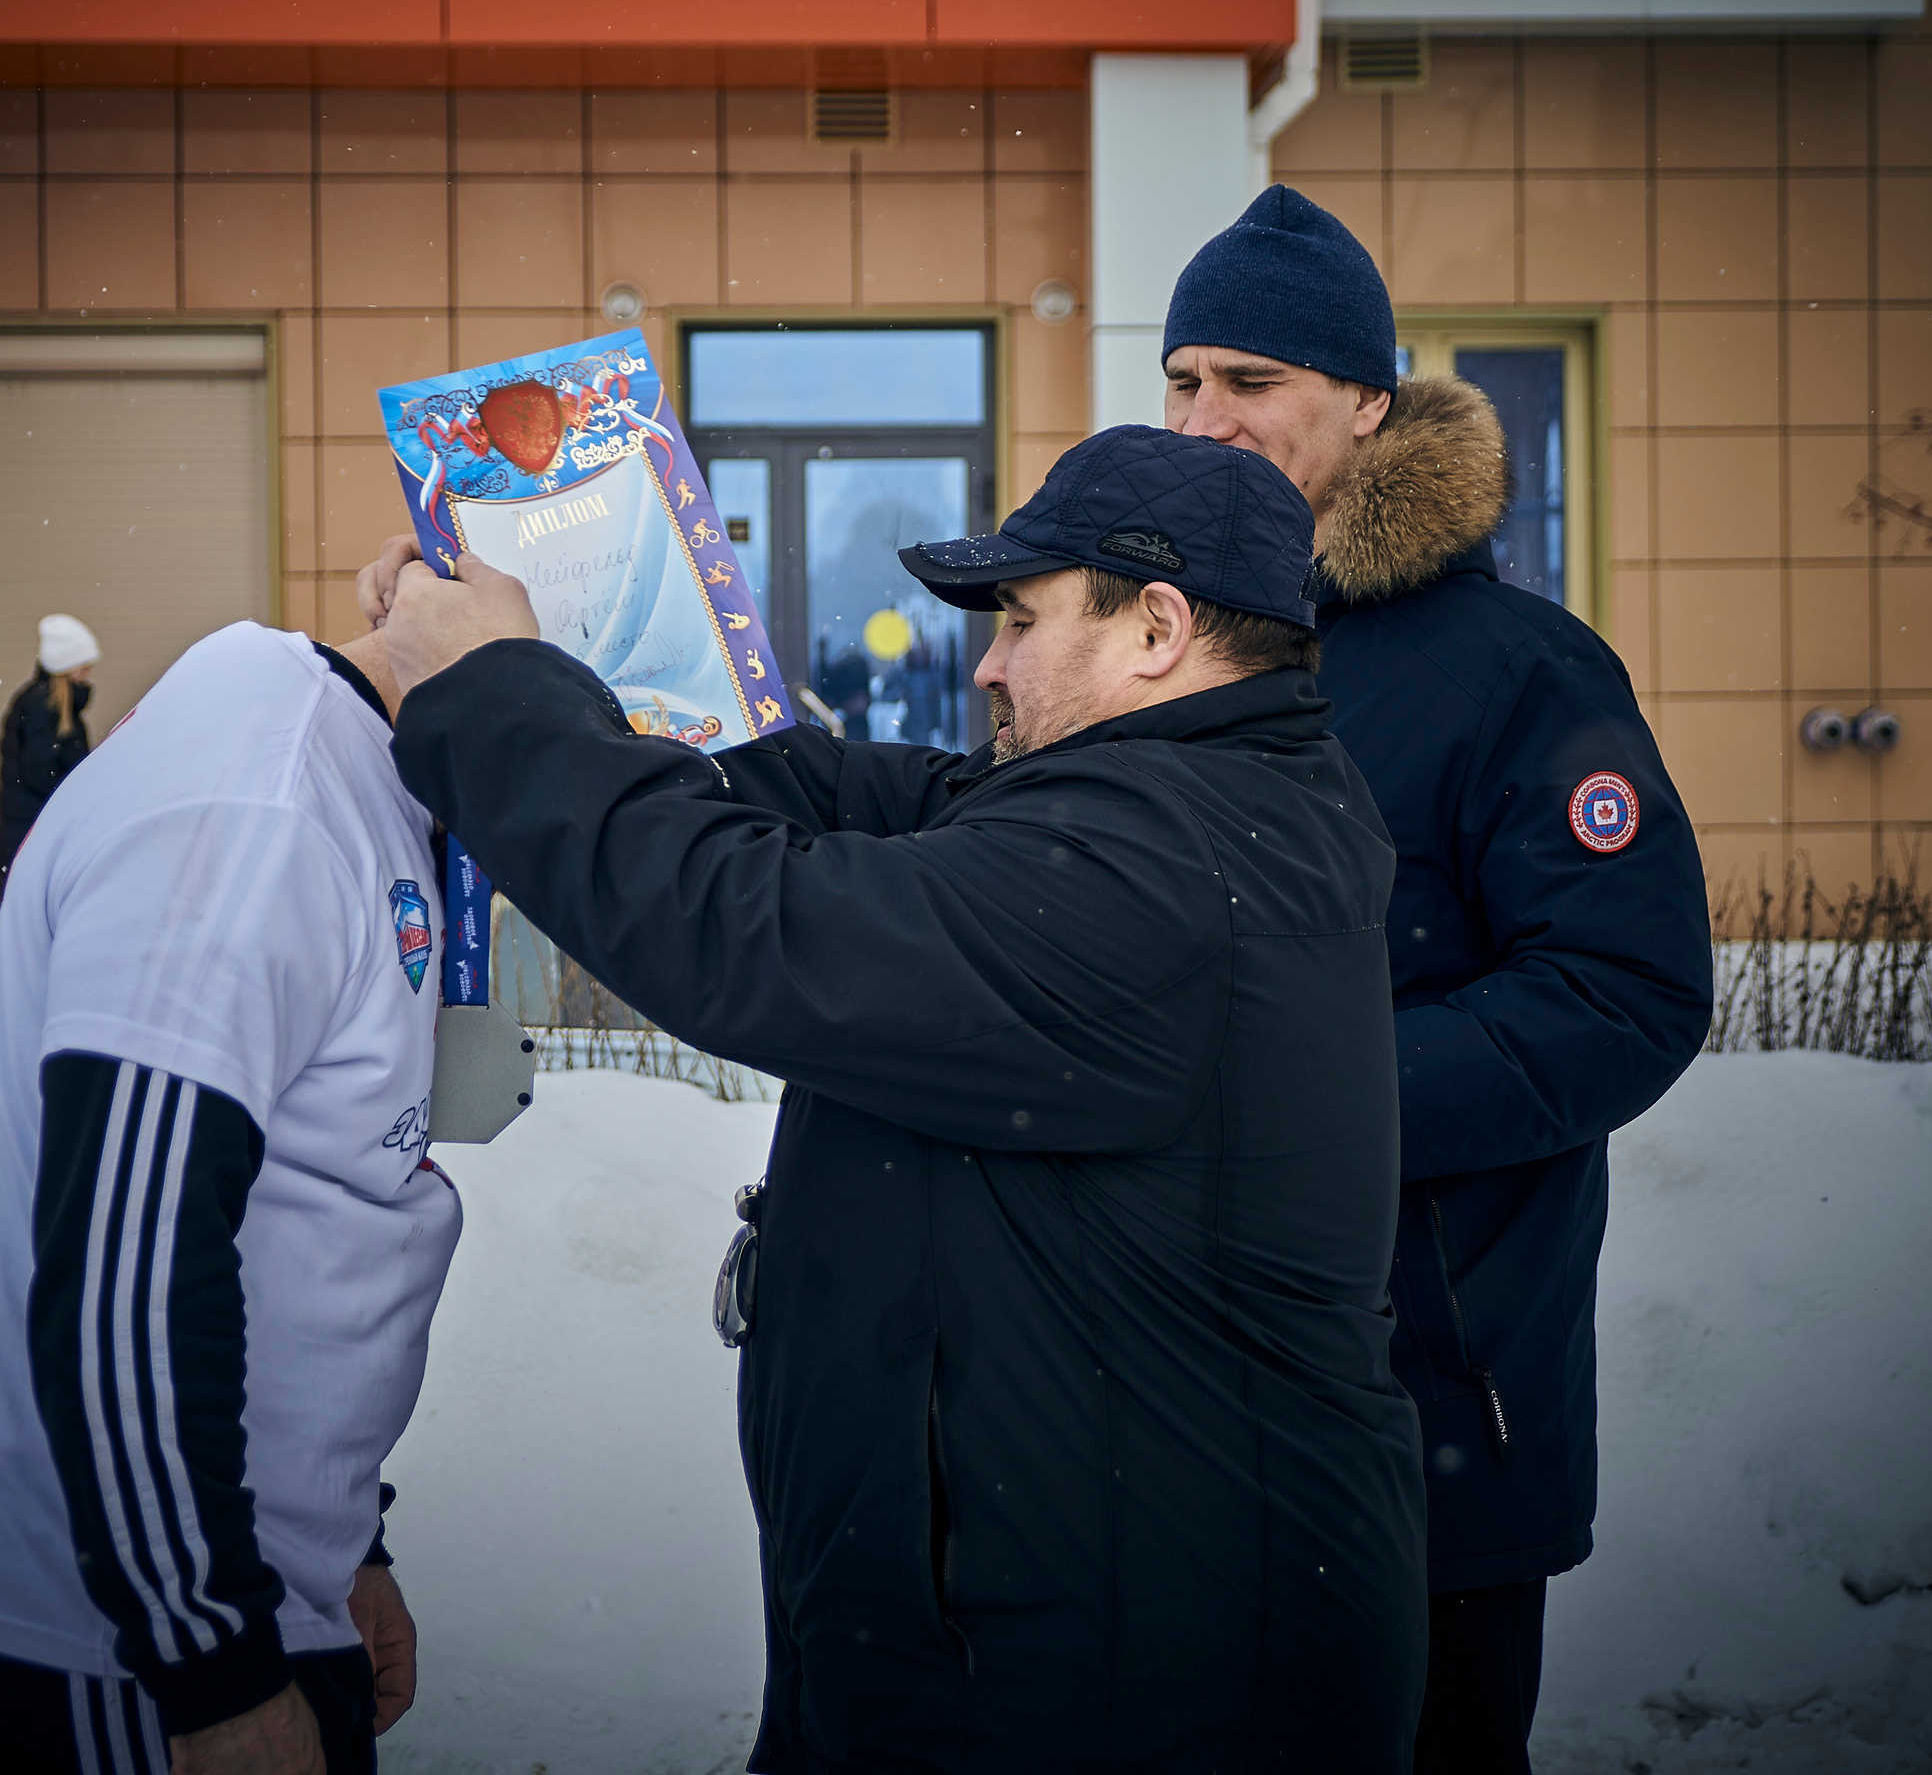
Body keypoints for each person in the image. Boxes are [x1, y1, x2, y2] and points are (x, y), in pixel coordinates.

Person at [362, 426, 1428, 1771]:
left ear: (1157, 628)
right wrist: (599, 659)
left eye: (1022, 621)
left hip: (1128, 1688)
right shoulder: (1169, 803)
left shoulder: (1161, 868)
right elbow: (832, 800)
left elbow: (746, 924)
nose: (984, 662)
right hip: (1008, 1638)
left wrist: (489, 694)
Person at [1160, 186, 1714, 1773]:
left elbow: (1625, 997)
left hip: (1428, 1414)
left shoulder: (1522, 674)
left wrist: (1308, 1101)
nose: (1207, 420)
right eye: (1184, 381)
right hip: (1173, 1399)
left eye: (1252, 383)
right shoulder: (1164, 649)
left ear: (1368, 403)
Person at [0, 620, 458, 1775]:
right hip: (119, 1660)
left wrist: (347, 1542)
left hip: (235, 1603)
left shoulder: (345, 777)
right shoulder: (257, 806)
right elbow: (122, 1266)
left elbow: (308, 1192)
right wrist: (216, 1673)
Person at [0, 612, 102, 897]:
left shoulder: (49, 705)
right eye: (83, 663)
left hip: (32, 830)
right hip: (36, 831)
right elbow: (42, 772)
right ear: (66, 665)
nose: (88, 671)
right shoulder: (44, 707)